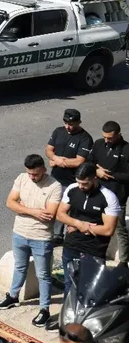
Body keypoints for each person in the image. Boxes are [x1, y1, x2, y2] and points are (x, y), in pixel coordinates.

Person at [0, 154, 62, 327]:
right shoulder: (22, 178)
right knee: (19, 266)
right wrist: (34, 211)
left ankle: (44, 309)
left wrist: (23, 208)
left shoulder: (55, 186)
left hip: (41, 237)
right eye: (30, 173)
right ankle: (13, 296)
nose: (32, 177)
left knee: (44, 275)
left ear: (44, 169)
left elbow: (49, 215)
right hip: (19, 233)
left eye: (36, 174)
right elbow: (10, 202)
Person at [55, 163, 120, 297]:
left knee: (90, 287)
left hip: (94, 250)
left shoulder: (108, 197)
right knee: (69, 284)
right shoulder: (72, 189)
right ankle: (69, 316)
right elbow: (60, 214)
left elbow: (108, 230)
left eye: (84, 183)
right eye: (78, 182)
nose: (80, 186)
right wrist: (79, 224)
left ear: (94, 179)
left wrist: (80, 227)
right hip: (71, 245)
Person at [46, 108, 93, 244]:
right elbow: (49, 149)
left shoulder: (85, 138)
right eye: (66, 123)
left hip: (71, 181)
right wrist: (54, 157)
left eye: (71, 124)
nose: (68, 127)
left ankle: (61, 236)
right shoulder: (58, 131)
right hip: (54, 177)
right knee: (52, 205)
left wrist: (59, 161)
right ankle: (53, 234)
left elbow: (79, 160)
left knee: (65, 208)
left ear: (79, 122)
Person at [89, 121, 129, 263]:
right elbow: (89, 162)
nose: (107, 140)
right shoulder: (99, 144)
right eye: (104, 137)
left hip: (118, 197)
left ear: (118, 135)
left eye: (110, 138)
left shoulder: (126, 150)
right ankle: (95, 256)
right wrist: (97, 171)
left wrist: (111, 174)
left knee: (119, 230)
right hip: (98, 194)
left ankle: (123, 262)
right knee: (95, 225)